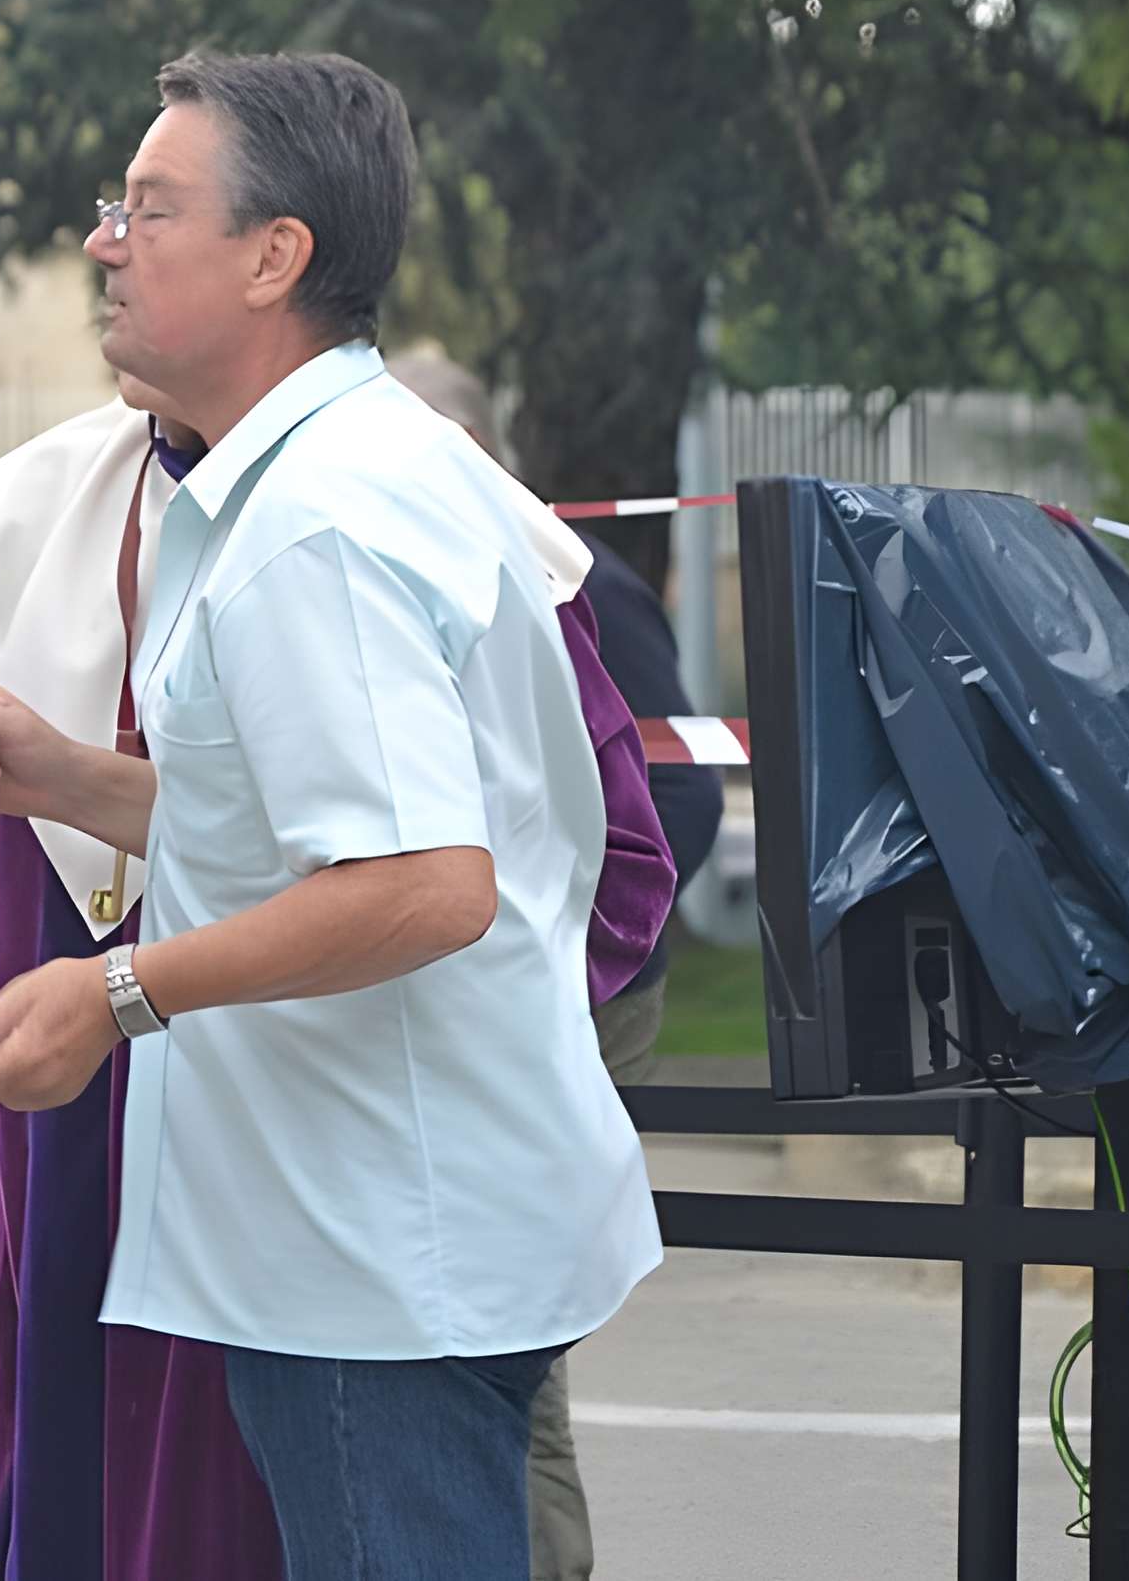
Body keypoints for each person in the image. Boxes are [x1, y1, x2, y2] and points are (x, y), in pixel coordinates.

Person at [0, 54, 669, 1581]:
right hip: (152, 1177)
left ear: (274, 255)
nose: (105, 242)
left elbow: (496, 878)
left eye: (148, 209)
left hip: (333, 1193)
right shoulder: (218, 490)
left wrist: (136, 991)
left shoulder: (318, 518)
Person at [385, 351, 721, 1581]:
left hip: (567, 994)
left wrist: (554, 955)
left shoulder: (573, 578)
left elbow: (670, 803)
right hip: (474, 992)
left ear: (468, 450)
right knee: (465, 1319)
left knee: (501, 1326)